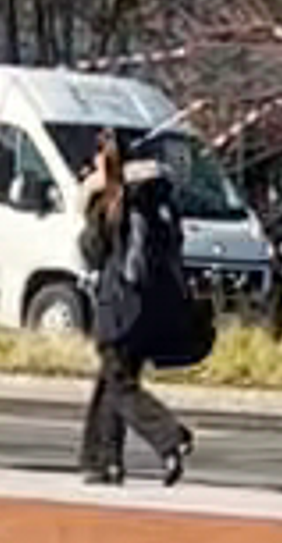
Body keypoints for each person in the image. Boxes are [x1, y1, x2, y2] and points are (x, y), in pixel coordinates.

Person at [77, 130, 195, 491]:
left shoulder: (109, 201)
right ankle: (101, 461)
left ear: (102, 159)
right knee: (111, 380)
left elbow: (92, 252)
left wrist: (85, 206)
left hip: (121, 306)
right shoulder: (160, 200)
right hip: (157, 307)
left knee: (121, 385)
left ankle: (170, 437)